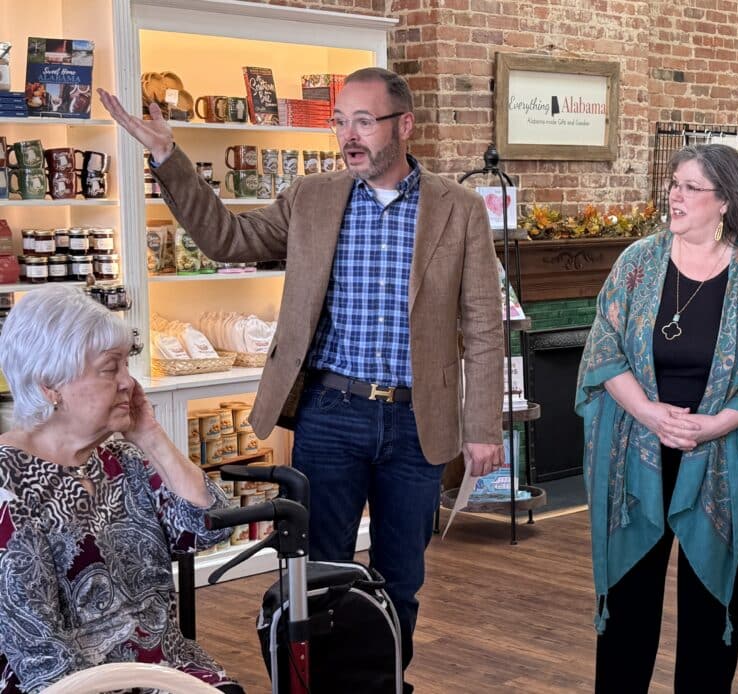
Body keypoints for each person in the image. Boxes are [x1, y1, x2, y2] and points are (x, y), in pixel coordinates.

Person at [97, 67, 504, 690]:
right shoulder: (312, 196)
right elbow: (228, 239)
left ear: (404, 125)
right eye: (340, 122)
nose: (349, 135)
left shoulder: (460, 208)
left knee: (402, 580)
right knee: (318, 576)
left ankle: (385, 684)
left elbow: (482, 324)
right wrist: (168, 158)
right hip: (331, 413)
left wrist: (483, 427)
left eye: (364, 121)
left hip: (417, 421)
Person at [575, 144, 738, 692]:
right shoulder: (638, 262)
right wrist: (648, 413)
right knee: (627, 604)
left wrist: (714, 425)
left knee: (711, 614)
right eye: (674, 184)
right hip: (637, 453)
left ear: (726, 200)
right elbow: (604, 346)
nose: (675, 196)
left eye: (690, 187)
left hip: (725, 457)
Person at [0, 286, 240, 693]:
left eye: (126, 364)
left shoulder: (121, 458)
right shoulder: (9, 484)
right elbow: (38, 651)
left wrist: (151, 436)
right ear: (50, 384)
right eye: (110, 368)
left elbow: (211, 527)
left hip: (168, 670)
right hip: (77, 685)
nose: (129, 381)